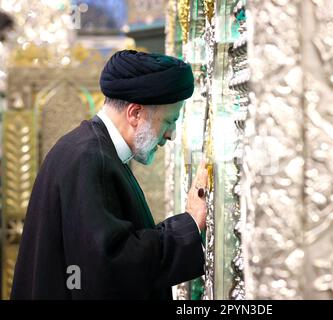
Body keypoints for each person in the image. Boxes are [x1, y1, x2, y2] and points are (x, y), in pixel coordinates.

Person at [11, 50, 207, 300]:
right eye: (169, 121)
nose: (171, 135)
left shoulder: (89, 148)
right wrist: (189, 225)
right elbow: (111, 267)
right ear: (135, 113)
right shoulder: (91, 159)